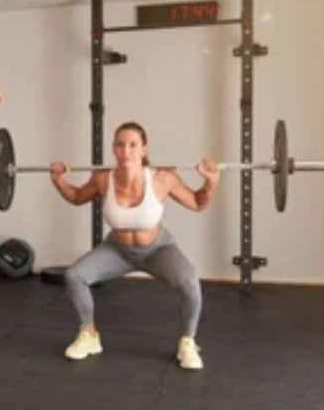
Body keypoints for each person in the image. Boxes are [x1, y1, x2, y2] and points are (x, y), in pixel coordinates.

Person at [49, 121, 219, 370]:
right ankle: (89, 334)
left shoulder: (163, 179)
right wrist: (58, 180)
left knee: (190, 282)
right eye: (120, 144)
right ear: (113, 149)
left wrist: (211, 182)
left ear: (144, 149)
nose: (126, 151)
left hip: (158, 251)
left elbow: (197, 202)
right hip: (117, 250)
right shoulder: (102, 180)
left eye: (132, 144)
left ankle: (188, 342)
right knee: (74, 276)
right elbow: (76, 197)